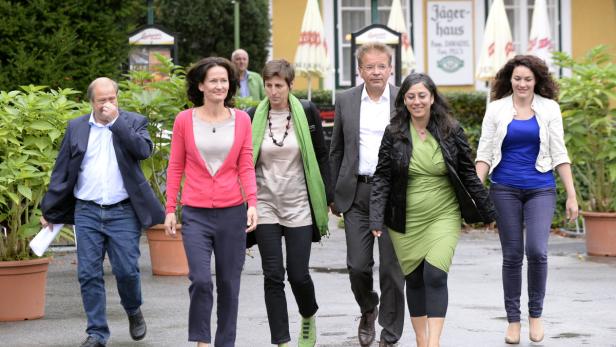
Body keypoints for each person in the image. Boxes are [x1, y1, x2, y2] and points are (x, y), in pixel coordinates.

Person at [370, 73, 496, 347]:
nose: (417, 101)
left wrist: (487, 211)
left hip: (443, 214)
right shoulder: (394, 133)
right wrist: (377, 216)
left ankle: (435, 342)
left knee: (435, 274)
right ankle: (421, 339)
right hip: (406, 218)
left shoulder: (451, 130)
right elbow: (382, 176)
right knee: (414, 279)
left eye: (422, 95)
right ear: (404, 100)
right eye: (411, 96)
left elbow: (468, 174)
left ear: (432, 98)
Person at [40, 77, 165, 347]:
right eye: (102, 100)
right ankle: (97, 332)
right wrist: (49, 210)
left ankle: (133, 309)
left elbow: (143, 151)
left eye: (112, 99)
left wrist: (116, 122)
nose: (108, 104)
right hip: (87, 210)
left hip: (123, 211)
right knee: (88, 273)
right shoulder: (76, 127)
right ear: (91, 102)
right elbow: (61, 170)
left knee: (127, 271)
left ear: (117, 97)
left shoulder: (133, 122)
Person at [475, 55, 578, 344]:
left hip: (540, 188)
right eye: (517, 78)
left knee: (537, 251)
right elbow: (484, 153)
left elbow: (559, 153)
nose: (522, 83)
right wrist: (472, 191)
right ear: (510, 79)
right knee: (511, 256)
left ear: (536, 81)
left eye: (527, 79)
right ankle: (512, 321)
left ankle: (535, 314)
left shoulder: (549, 109)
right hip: (504, 188)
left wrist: (571, 194)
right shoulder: (496, 109)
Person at [163, 57, 258, 347]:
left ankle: (224, 343)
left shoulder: (241, 119)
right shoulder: (184, 120)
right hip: (196, 213)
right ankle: (202, 340)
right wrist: (170, 208)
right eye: (213, 80)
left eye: (224, 80)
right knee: (201, 280)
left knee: (230, 284)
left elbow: (246, 165)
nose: (219, 85)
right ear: (201, 85)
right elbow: (175, 166)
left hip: (232, 211)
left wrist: (252, 203)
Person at [247, 59, 330, 347]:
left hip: (299, 205)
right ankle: (281, 340)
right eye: (268, 85)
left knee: (298, 274)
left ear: (290, 85)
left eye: (279, 85)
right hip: (266, 204)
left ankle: (308, 315)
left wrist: (328, 196)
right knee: (273, 275)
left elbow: (321, 154)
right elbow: (246, 162)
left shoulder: (305, 113)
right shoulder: (253, 116)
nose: (273, 91)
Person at [329, 42, 405, 347]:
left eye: (381, 66)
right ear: (359, 70)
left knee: (391, 268)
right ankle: (368, 307)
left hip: (394, 194)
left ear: (390, 68)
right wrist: (333, 192)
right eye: (369, 67)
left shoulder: (403, 98)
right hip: (357, 192)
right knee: (358, 265)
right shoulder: (346, 100)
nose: (375, 72)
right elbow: (336, 149)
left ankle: (391, 331)